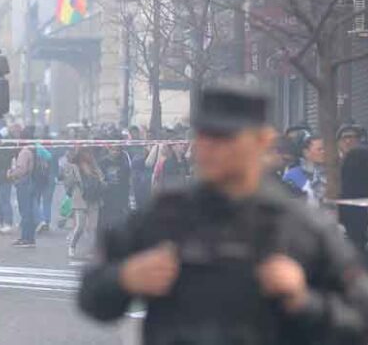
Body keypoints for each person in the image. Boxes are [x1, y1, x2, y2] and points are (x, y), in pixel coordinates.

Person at [79, 83, 368, 344]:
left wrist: (303, 300)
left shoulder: (301, 227)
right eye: (204, 135)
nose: (209, 148)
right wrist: (125, 278)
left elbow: (357, 322)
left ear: (262, 141)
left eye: (225, 137)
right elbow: (91, 295)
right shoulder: (164, 215)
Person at [63, 147, 105, 259]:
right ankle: (72, 246)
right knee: (80, 226)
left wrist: (99, 181)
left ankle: (91, 250)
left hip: (94, 198)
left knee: (93, 227)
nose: (88, 154)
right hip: (80, 198)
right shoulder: (73, 166)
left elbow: (102, 178)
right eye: (85, 152)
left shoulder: (94, 166)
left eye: (89, 152)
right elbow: (68, 183)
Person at [339, 124, 368, 256]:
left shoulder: (362, 156)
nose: (348, 141)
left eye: (352, 137)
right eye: (345, 137)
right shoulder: (329, 164)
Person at [7, 126, 37, 248]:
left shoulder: (24, 151)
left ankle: (26, 238)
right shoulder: (32, 149)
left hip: (24, 183)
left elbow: (22, 169)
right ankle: (29, 237)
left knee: (25, 211)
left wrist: (11, 174)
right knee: (29, 210)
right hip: (30, 182)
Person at [283, 135, 326, 207]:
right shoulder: (292, 176)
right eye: (319, 149)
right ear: (306, 152)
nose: (324, 152)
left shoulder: (334, 174)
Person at [99, 143, 131, 230]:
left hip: (120, 193)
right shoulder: (103, 163)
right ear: (109, 150)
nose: (115, 152)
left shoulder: (123, 162)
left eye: (117, 150)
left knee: (118, 215)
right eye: (113, 150)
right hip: (107, 194)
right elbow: (99, 178)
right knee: (107, 216)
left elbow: (127, 179)